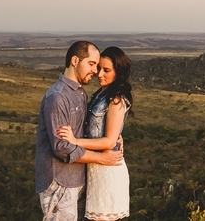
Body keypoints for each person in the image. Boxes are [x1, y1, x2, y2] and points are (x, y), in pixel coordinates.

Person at [36, 41, 124, 221]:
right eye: (92, 64)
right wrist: (101, 158)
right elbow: (61, 147)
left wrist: (113, 137)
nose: (95, 71)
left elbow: (85, 130)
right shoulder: (58, 97)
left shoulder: (80, 93)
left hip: (78, 178)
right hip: (59, 180)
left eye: (98, 66)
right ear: (75, 60)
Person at [58, 46, 133, 221]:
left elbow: (108, 142)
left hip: (107, 170)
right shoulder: (101, 94)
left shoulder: (116, 99)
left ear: (118, 72)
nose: (99, 74)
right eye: (99, 68)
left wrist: (75, 141)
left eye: (107, 70)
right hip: (96, 167)